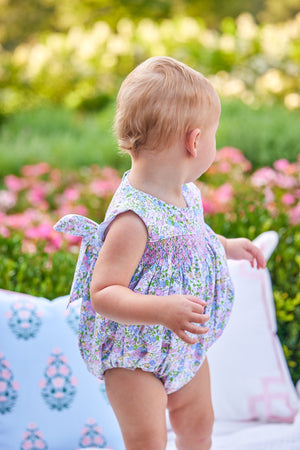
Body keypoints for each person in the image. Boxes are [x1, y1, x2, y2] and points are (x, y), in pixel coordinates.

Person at [54, 56, 266, 450]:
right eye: (214, 135)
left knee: (199, 427)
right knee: (148, 441)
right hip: (134, 356)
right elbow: (103, 293)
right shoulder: (132, 219)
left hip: (183, 347)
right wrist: (162, 310)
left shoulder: (185, 195)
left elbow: (191, 238)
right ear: (195, 141)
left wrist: (228, 247)